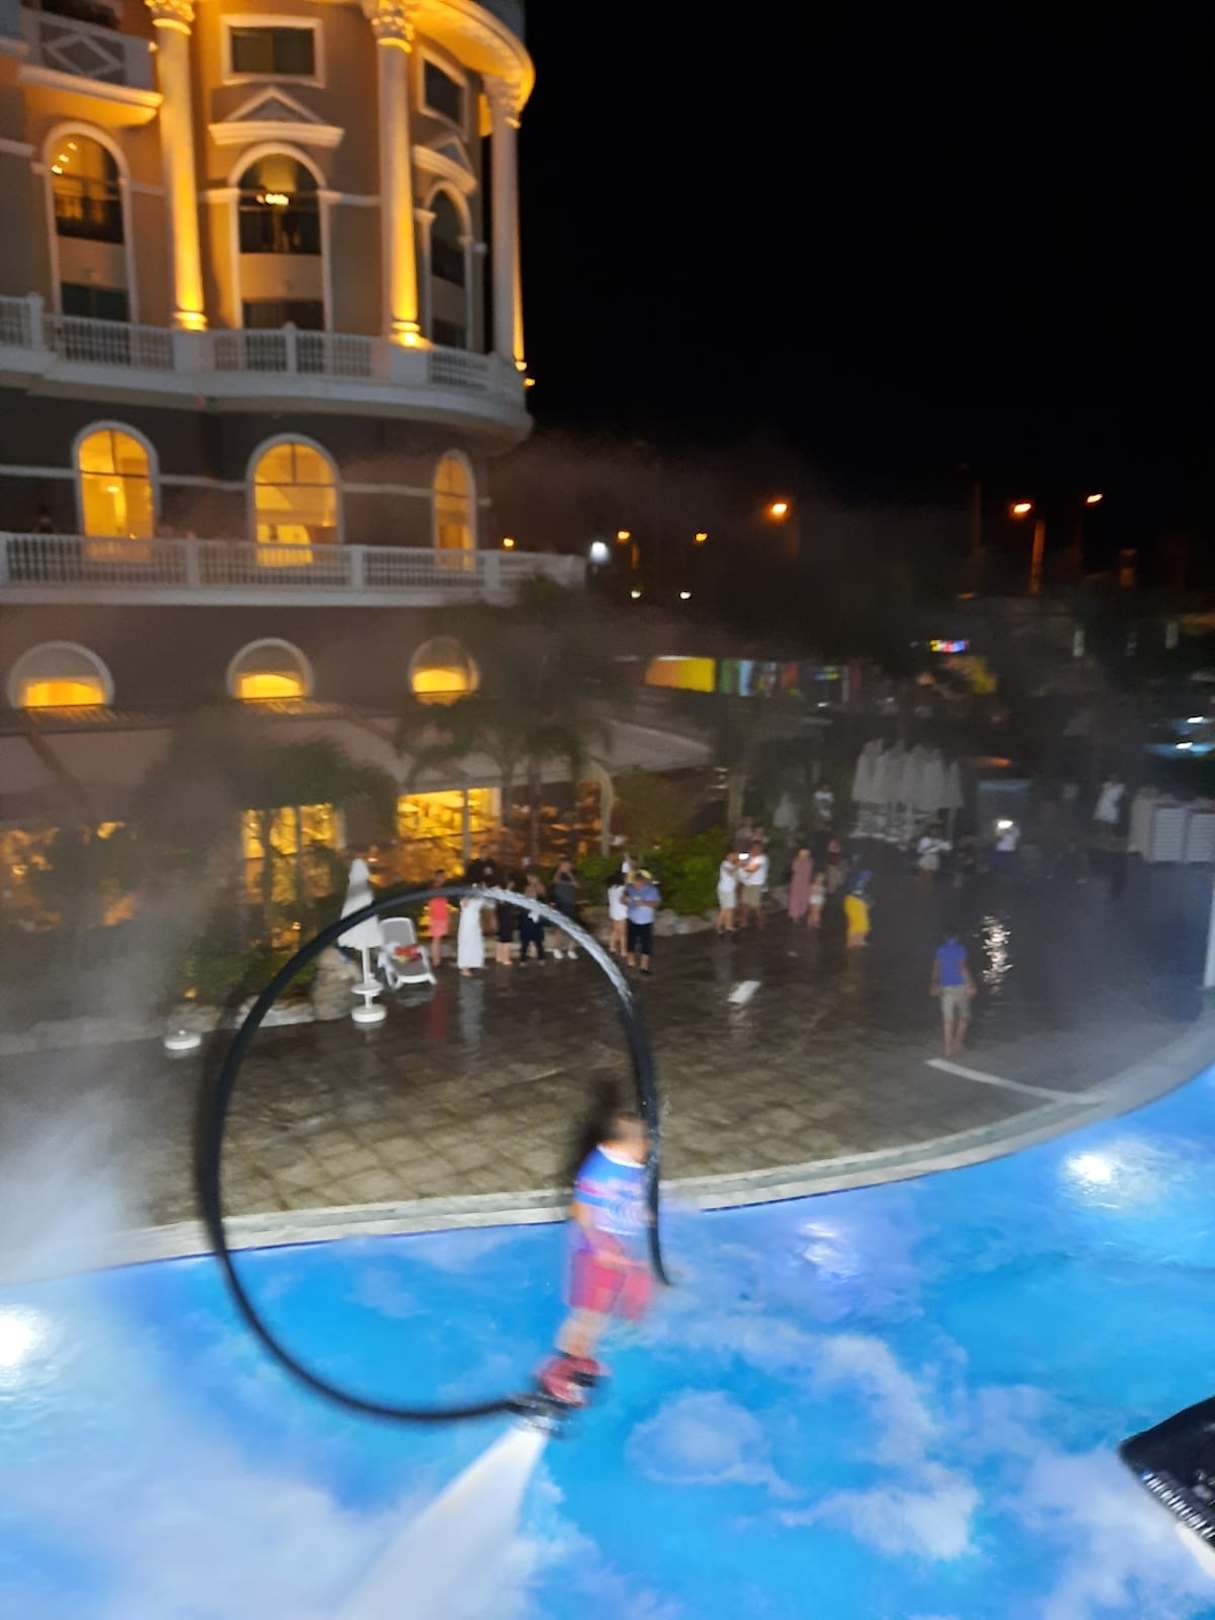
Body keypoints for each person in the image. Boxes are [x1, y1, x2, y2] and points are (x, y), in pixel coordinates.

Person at [537, 1108, 653, 1407]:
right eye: (645, 1141)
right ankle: (560, 1371)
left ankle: (581, 1358)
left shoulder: (630, 1164)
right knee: (589, 1314)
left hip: (617, 1248)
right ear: (629, 1143)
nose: (649, 1147)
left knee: (603, 1310)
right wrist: (600, 1244)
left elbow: (626, 1199)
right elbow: (581, 1210)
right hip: (596, 1254)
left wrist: (641, 1214)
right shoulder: (600, 1169)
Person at [931, 930, 975, 1055]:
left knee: (947, 1020)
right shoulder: (961, 949)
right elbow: (962, 967)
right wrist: (970, 984)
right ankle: (958, 1043)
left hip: (945, 988)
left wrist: (934, 983)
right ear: (957, 937)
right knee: (964, 1017)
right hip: (960, 987)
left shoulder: (940, 950)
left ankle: (948, 1048)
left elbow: (937, 968)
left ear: (945, 938)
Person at [625, 869, 661, 974]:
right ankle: (630, 962)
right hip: (632, 920)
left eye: (638, 883)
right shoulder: (630, 888)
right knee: (631, 941)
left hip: (646, 921)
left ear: (643, 881)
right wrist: (624, 899)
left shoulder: (652, 890)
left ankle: (644, 967)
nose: (636, 885)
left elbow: (657, 904)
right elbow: (622, 899)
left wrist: (644, 903)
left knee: (646, 943)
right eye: (634, 882)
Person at [550, 858, 579, 961]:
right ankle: (556, 949)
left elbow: (577, 885)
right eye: (564, 865)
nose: (566, 867)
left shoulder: (572, 876)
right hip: (560, 904)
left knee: (573, 928)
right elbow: (554, 881)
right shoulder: (558, 876)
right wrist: (560, 870)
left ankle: (571, 950)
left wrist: (569, 873)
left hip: (570, 905)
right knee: (559, 928)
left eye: (568, 865)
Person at [518, 870, 547, 964]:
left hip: (537, 915)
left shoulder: (540, 887)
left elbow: (542, 895)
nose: (529, 879)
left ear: (536, 877)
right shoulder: (527, 888)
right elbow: (525, 899)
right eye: (528, 878)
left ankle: (541, 957)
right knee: (525, 939)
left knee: (538, 938)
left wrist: (535, 885)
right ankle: (523, 958)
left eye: (530, 877)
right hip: (527, 915)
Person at [737, 840, 768, 929]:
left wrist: (741, 865)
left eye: (758, 848)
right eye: (754, 848)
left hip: (756, 884)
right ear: (751, 848)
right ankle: (743, 921)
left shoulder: (762, 858)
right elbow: (736, 857)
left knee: (755, 905)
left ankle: (761, 920)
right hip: (747, 883)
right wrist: (740, 859)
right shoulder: (749, 856)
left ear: (761, 849)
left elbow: (752, 869)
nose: (756, 850)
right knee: (744, 903)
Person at [456, 889, 486, 977]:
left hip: (474, 925)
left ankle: (474, 963)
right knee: (466, 945)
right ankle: (464, 968)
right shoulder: (465, 899)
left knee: (475, 944)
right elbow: (464, 904)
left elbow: (485, 903)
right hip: (467, 926)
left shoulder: (477, 899)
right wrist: (466, 899)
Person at [426, 870, 450, 968]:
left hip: (441, 917)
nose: (443, 879)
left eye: (444, 877)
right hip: (437, 918)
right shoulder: (434, 889)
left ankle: (438, 959)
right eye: (441, 876)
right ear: (436, 877)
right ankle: (435, 961)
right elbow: (431, 903)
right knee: (436, 939)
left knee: (438, 939)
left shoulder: (441, 889)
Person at [493, 872, 517, 966]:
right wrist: (508, 890)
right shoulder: (504, 892)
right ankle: (505, 958)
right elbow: (503, 903)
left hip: (502, 916)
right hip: (505, 917)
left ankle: (499, 957)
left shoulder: (500, 891)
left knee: (501, 937)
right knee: (506, 937)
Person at [842, 875, 870, 949]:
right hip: (854, 902)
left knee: (861, 924)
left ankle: (858, 941)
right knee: (857, 924)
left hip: (855, 902)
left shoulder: (859, 882)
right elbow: (856, 892)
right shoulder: (858, 882)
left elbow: (860, 893)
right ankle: (851, 942)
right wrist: (865, 900)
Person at [787, 845, 813, 924]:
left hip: (805, 883)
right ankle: (795, 916)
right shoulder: (796, 861)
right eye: (802, 853)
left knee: (804, 898)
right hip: (796, 882)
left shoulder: (809, 861)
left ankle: (801, 913)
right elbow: (794, 870)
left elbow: (809, 873)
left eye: (806, 853)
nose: (804, 855)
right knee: (795, 899)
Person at [607, 869, 629, 956]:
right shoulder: (623, 889)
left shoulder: (611, 888)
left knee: (615, 930)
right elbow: (624, 900)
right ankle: (623, 951)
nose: (627, 879)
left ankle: (612, 947)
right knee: (623, 933)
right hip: (621, 912)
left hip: (613, 911)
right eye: (626, 878)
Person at [715, 853, 738, 935]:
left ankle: (729, 926)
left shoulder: (732, 865)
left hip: (730, 890)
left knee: (730, 909)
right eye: (731, 855)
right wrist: (738, 865)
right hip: (724, 890)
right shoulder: (724, 863)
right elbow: (730, 872)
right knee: (724, 909)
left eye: (734, 855)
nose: (733, 856)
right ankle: (718, 927)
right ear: (727, 856)